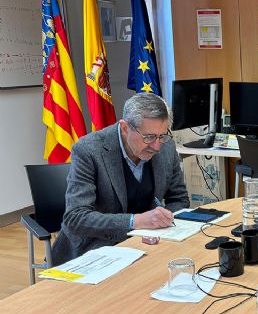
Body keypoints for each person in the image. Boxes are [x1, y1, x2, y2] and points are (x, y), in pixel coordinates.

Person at [52, 93, 190, 265]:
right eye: (149, 137)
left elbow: (179, 199)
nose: (156, 146)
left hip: (146, 243)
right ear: (125, 128)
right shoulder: (88, 150)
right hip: (94, 246)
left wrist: (165, 217)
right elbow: (76, 218)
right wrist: (136, 221)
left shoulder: (166, 146)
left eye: (161, 136)